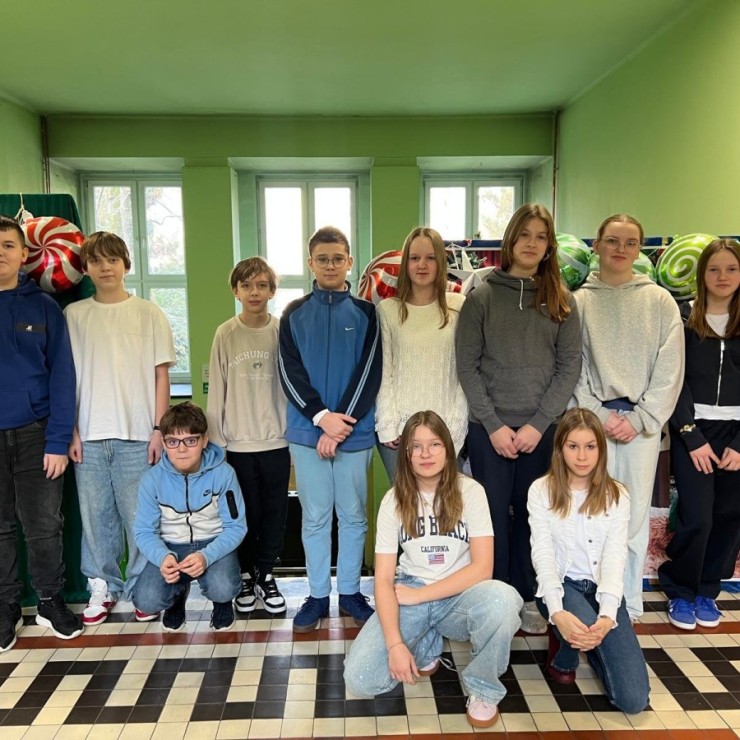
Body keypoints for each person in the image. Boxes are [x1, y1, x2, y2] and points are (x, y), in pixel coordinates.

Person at [344, 410, 522, 729]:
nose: (426, 454)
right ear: (406, 454)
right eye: (416, 446)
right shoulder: (393, 501)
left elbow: (483, 569)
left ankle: (483, 689)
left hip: (459, 593)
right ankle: (426, 642)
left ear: (448, 449)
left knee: (504, 600)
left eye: (435, 444)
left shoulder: (471, 492)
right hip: (411, 588)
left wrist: (421, 596)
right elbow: (383, 580)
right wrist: (396, 645)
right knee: (359, 678)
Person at [456, 203, 581, 634]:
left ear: (549, 247)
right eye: (525, 234)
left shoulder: (562, 301)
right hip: (488, 431)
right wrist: (493, 425)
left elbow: (568, 367)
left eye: (541, 237)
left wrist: (538, 424)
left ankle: (527, 596)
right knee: (490, 518)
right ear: (510, 240)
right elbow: (467, 366)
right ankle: (496, 599)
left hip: (541, 431)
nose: (532, 243)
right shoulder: (482, 297)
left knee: (534, 517)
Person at [572, 214, 683, 620]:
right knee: (589, 512)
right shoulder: (578, 302)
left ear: (639, 250)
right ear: (597, 245)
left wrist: (638, 419)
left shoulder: (659, 301)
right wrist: (597, 414)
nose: (620, 249)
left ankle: (628, 602)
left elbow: (670, 367)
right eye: (612, 241)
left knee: (632, 516)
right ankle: (589, 597)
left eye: (630, 242)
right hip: (590, 425)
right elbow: (573, 366)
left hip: (641, 428)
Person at [65, 232, 175, 626]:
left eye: (112, 259)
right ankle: (102, 586)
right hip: (88, 436)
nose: (105, 267)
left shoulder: (149, 313)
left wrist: (158, 429)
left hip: (138, 436)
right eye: (96, 261)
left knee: (139, 518)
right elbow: (65, 379)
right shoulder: (73, 315)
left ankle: (142, 588)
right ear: (86, 268)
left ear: (126, 264)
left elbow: (161, 376)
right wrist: (71, 431)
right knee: (96, 520)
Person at [279, 225, 381, 632]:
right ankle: (318, 595)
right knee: (316, 517)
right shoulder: (293, 314)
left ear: (349, 262)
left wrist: (339, 426)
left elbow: (370, 372)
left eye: (338, 258)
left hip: (354, 434)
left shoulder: (367, 314)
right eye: (322, 259)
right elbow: (290, 374)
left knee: (353, 516)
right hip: (308, 435)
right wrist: (322, 419)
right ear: (311, 263)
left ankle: (351, 592)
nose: (330, 265)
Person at [528, 407, 649, 714]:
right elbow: (542, 555)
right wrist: (557, 612)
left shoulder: (618, 494)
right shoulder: (541, 491)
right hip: (561, 585)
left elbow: (615, 558)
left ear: (601, 449)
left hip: (601, 589)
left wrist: (607, 617)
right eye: (573, 446)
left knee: (634, 701)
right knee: (579, 625)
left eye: (590, 446)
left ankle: (583, 644)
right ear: (560, 449)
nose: (582, 456)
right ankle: (564, 651)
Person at [0, 215, 82, 650]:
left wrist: (58, 440)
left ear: (24, 254)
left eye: (8, 245)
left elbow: (62, 377)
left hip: (37, 433)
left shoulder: (45, 308)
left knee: (44, 525)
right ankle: (6, 605)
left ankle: (50, 600)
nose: (1, 253)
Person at [658, 239, 740, 630]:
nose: (723, 277)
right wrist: (691, 437)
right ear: (701, 274)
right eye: (714, 269)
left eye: (732, 269)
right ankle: (680, 588)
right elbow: (674, 381)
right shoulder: (684, 317)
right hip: (694, 431)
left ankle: (708, 589)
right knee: (698, 516)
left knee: (729, 515)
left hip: (736, 435)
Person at [208, 257, 289, 614]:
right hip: (237, 445)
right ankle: (244, 575)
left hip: (277, 441)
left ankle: (266, 575)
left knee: (274, 513)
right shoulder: (225, 333)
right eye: (246, 285)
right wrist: (217, 446)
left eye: (261, 285)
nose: (254, 292)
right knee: (243, 514)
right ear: (235, 291)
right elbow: (216, 390)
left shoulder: (282, 331)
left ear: (272, 291)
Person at [133, 402, 247, 631]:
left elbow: (236, 527)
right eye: (173, 442)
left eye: (190, 440)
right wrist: (163, 557)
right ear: (163, 442)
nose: (182, 449)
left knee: (223, 587)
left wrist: (206, 556)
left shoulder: (224, 474)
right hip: (171, 547)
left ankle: (222, 603)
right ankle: (176, 595)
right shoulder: (151, 480)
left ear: (204, 440)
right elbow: (144, 531)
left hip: (213, 543)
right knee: (146, 600)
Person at [375, 227, 467, 479]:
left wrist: (456, 427)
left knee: (447, 501)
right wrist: (388, 425)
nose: (422, 265)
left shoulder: (458, 306)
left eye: (430, 258)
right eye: (414, 258)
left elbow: (465, 372)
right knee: (405, 501)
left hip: (446, 429)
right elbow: (384, 372)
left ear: (441, 262)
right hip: (399, 433)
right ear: (405, 263)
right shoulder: (388, 310)